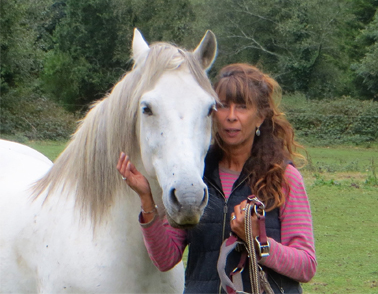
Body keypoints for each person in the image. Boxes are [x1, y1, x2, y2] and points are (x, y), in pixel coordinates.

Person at [117, 63, 316, 293]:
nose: (231, 116)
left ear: (260, 117)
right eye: (223, 106)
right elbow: (165, 258)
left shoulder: (283, 177)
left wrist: (256, 241)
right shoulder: (197, 177)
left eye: (242, 107)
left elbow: (306, 265)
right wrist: (146, 199)